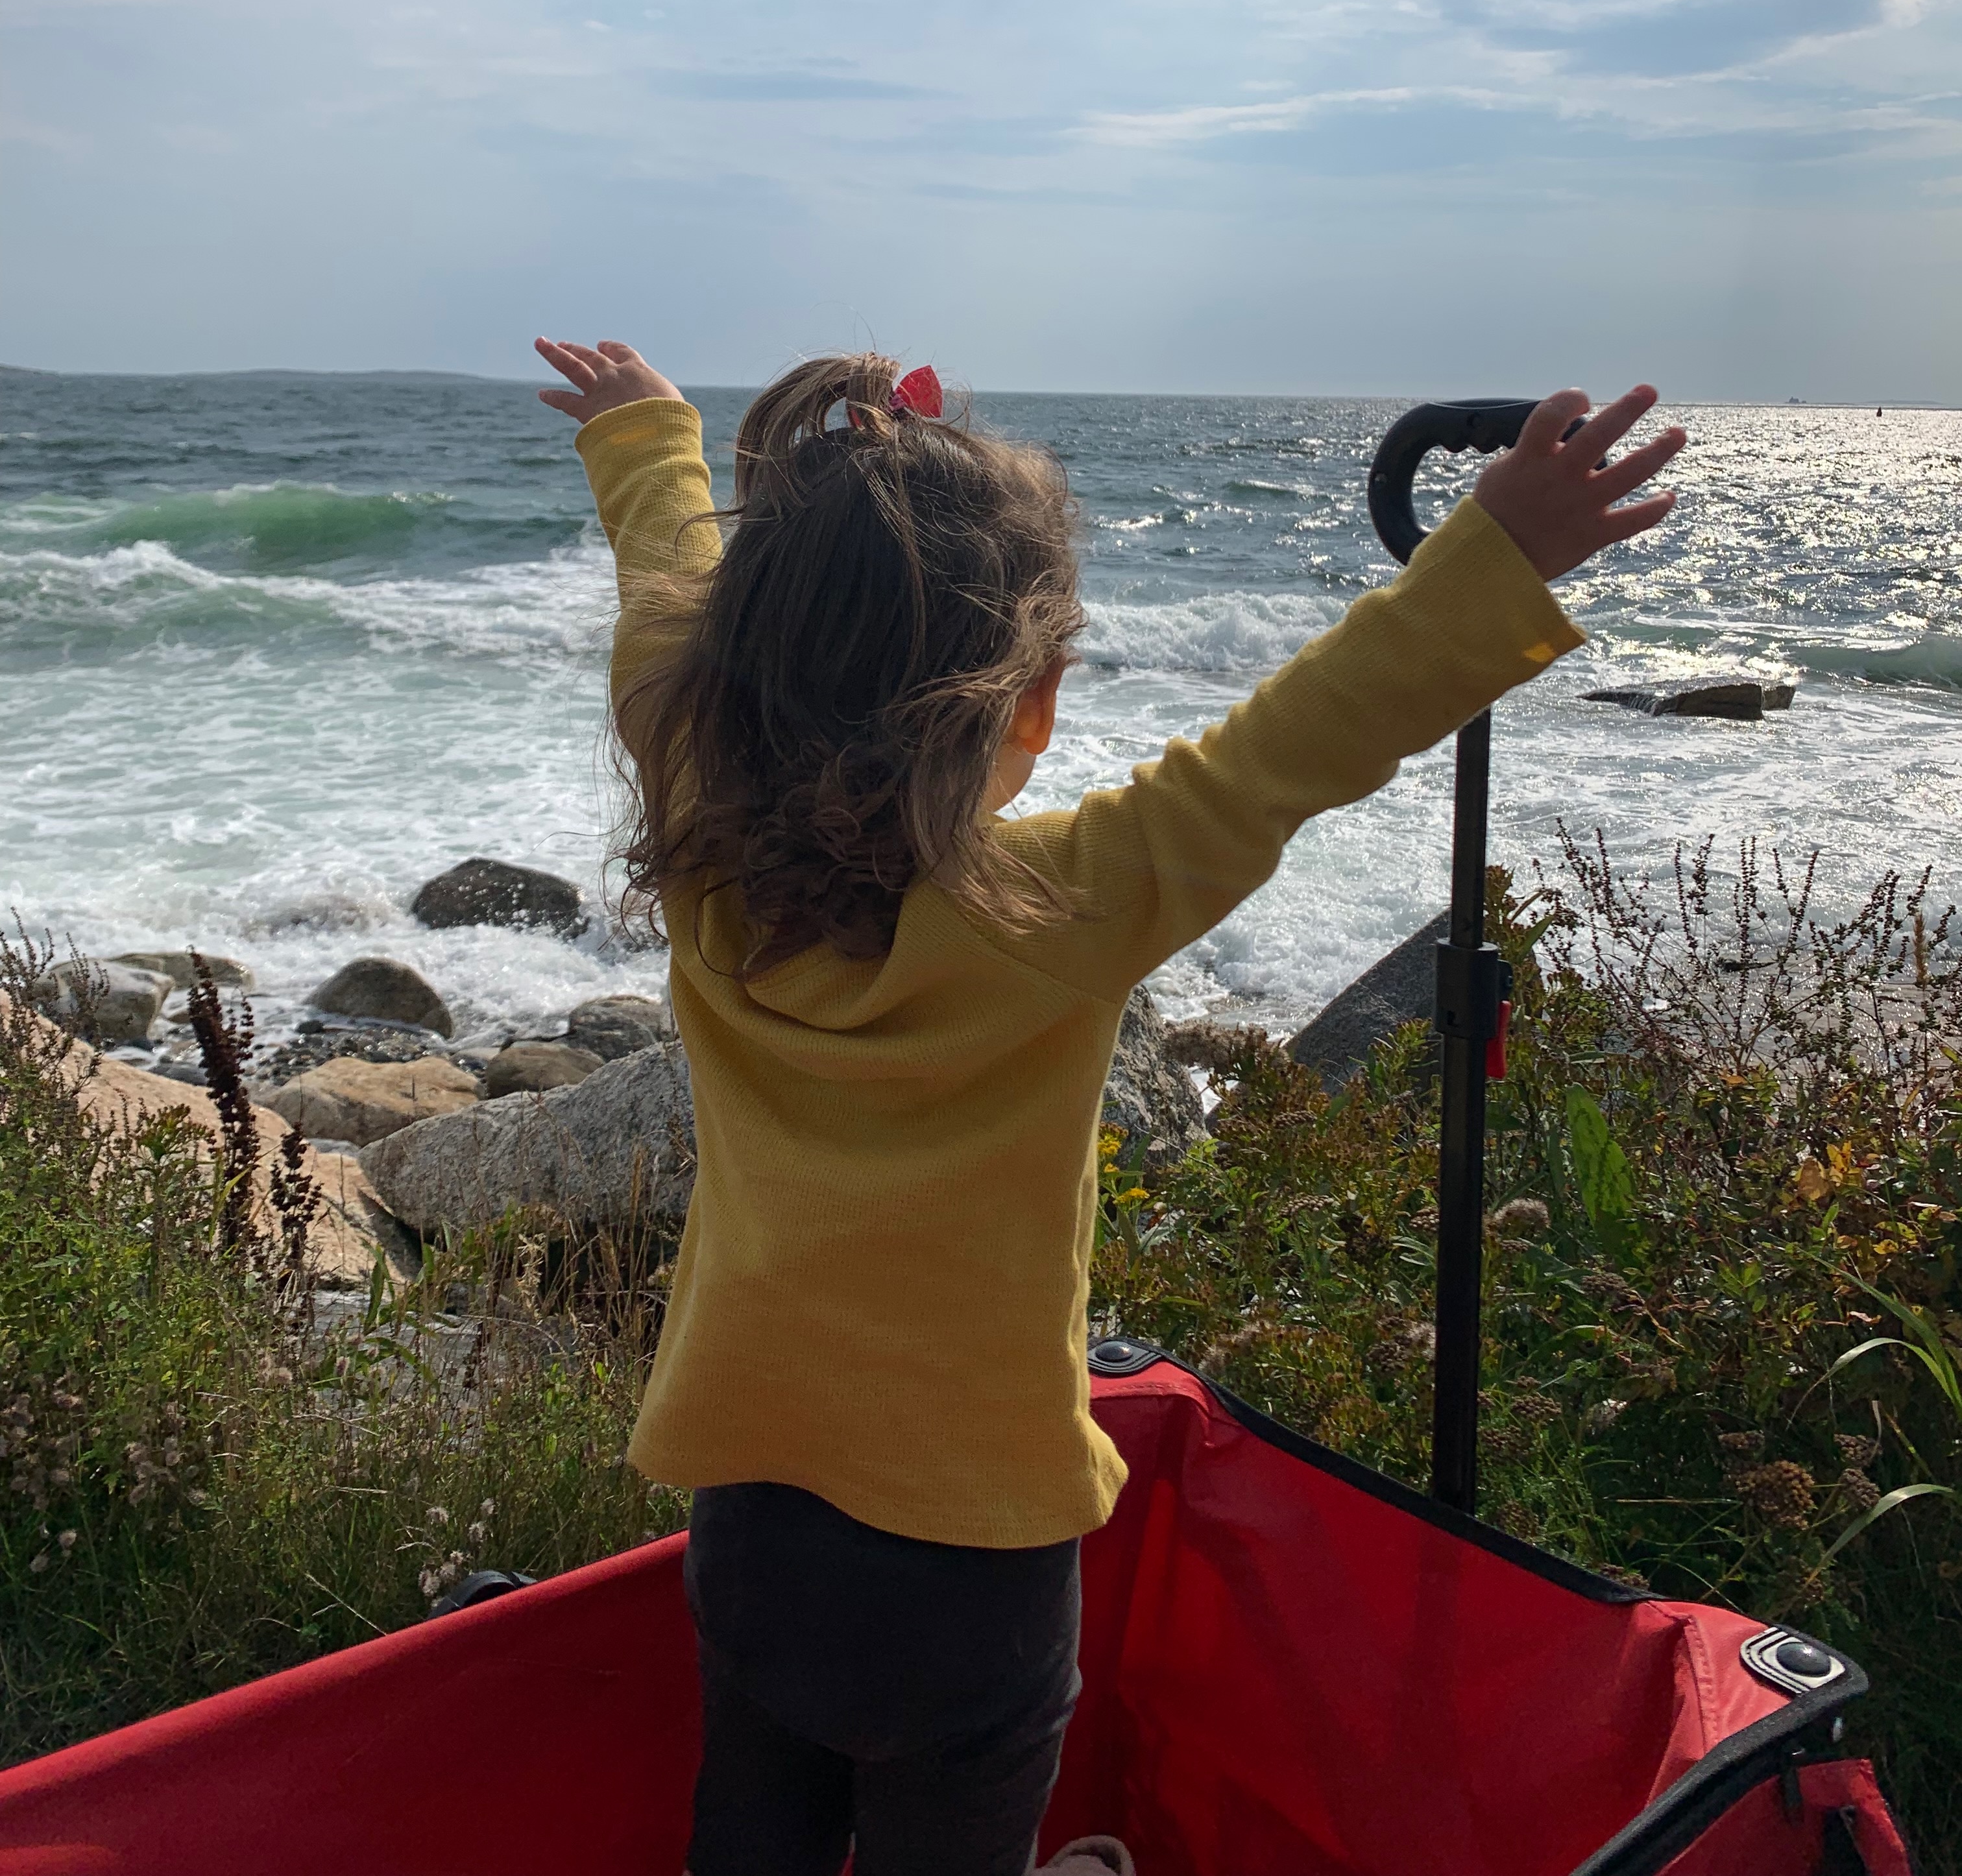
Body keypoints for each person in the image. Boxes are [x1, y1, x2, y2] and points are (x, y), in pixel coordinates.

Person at [535, 337, 1684, 1876]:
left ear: (726, 676)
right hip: (976, 1568)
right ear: (1033, 706)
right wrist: (1499, 556)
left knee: (753, 1829)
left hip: (754, 1524)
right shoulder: (1057, 906)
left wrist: (649, 442)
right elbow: (1294, 747)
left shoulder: (697, 839)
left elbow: (667, 604)